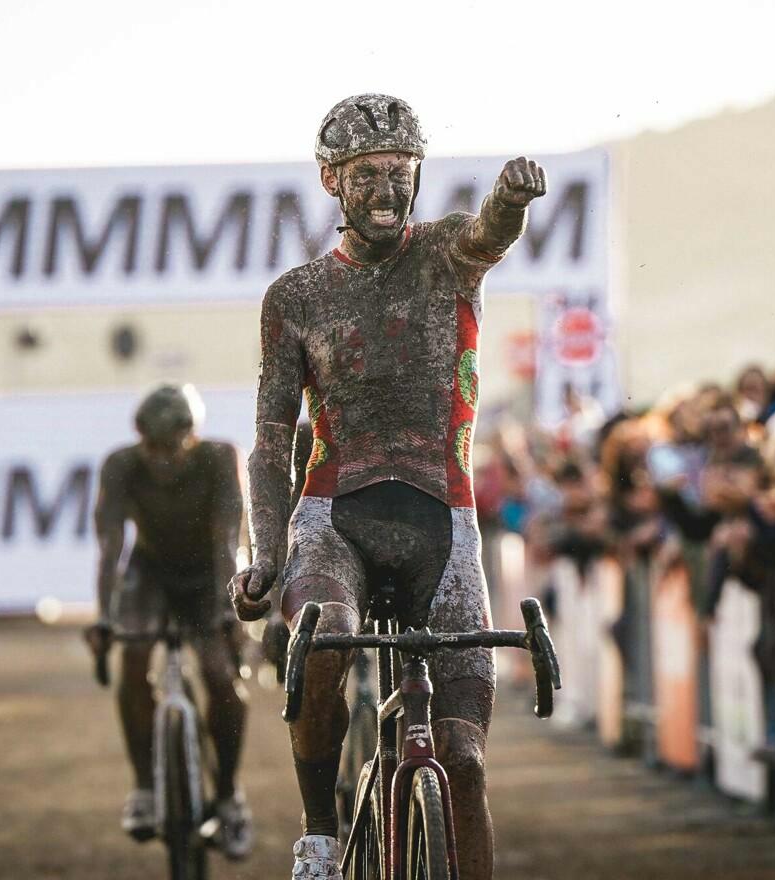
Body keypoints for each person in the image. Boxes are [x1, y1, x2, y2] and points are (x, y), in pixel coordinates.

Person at [229, 93, 547, 880]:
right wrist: (267, 555)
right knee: (325, 640)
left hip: (444, 521)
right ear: (332, 181)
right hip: (334, 519)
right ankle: (319, 834)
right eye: (366, 173)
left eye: (400, 171)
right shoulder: (297, 297)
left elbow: (488, 234)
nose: (385, 189)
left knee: (464, 762)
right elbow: (271, 442)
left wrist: (509, 202)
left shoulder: (445, 253)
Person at [84, 384, 253, 858]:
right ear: (139, 439)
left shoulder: (220, 458)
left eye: (170, 448)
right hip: (150, 572)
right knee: (134, 657)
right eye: (151, 448)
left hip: (209, 575)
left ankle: (229, 796)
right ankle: (144, 787)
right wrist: (104, 616)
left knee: (220, 674)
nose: (160, 460)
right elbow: (111, 548)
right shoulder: (121, 465)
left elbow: (227, 540)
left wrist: (229, 613)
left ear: (192, 436)